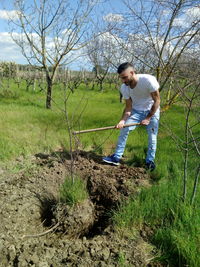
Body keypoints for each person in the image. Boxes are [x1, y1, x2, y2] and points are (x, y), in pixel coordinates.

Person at [102, 62, 160, 171]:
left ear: (132, 73)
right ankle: (116, 157)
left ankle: (149, 161)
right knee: (124, 129)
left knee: (152, 136)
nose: (123, 81)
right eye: (121, 78)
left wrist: (148, 117)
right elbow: (128, 107)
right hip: (136, 111)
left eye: (125, 77)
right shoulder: (124, 87)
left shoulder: (148, 80)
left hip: (152, 110)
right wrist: (122, 121)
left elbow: (157, 100)